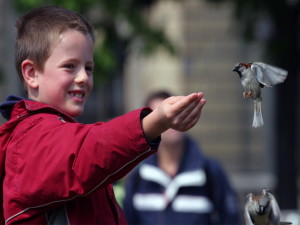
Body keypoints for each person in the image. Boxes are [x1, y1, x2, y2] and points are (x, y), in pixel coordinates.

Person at [0, 6, 206, 225]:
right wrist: (155, 121)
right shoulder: (30, 138)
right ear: (32, 73)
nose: (83, 77)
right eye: (69, 66)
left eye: (88, 68)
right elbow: (89, 150)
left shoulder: (53, 133)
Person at [123, 91, 241, 225]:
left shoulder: (210, 172)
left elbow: (231, 219)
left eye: (177, 110)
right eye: (161, 117)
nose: (171, 120)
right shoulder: (139, 176)